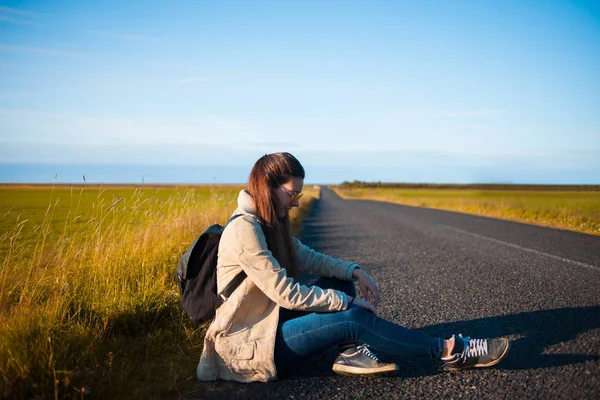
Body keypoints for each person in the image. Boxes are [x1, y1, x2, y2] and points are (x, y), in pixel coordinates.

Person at [196, 152, 510, 383]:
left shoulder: (267, 222)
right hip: (250, 345)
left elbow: (307, 257)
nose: (295, 203)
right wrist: (347, 303)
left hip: (268, 322)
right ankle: (451, 350)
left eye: (299, 195)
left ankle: (348, 353)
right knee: (354, 317)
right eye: (292, 194)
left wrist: (354, 271)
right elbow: (286, 293)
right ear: (268, 187)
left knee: (340, 282)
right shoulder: (244, 230)